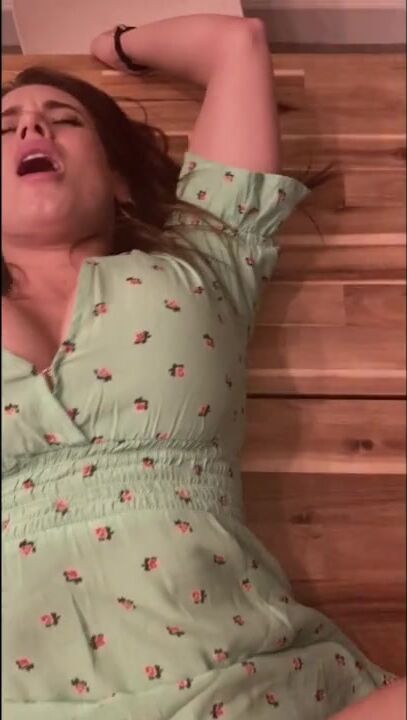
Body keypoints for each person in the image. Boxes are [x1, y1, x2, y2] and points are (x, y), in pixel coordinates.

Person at [1, 14, 405, 720]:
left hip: (248, 687)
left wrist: (109, 46)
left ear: (120, 181)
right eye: (3, 128)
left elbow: (235, 45)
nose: (32, 127)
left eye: (64, 120)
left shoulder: (205, 259)